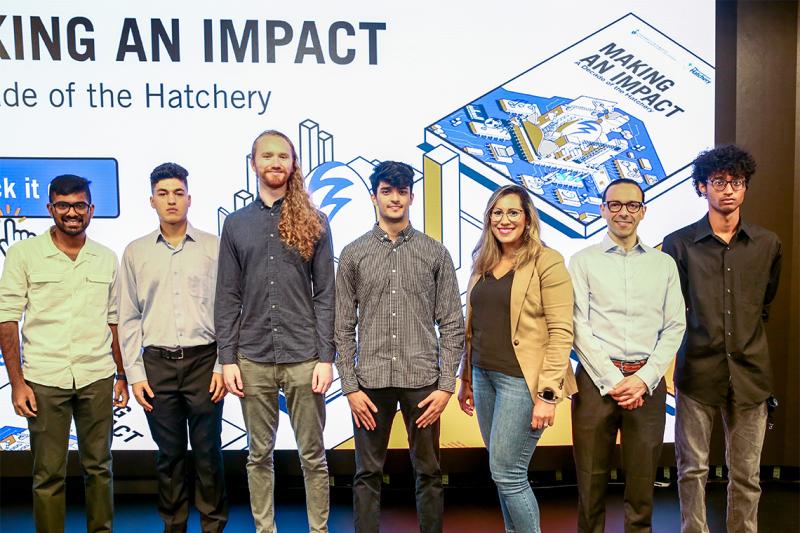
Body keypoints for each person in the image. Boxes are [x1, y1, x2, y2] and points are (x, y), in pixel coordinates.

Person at [215, 130, 335, 533]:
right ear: (253, 164)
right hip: (252, 359)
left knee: (313, 455)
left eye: (283, 155)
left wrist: (326, 357)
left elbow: (326, 295)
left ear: (293, 163)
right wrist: (227, 359)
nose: (275, 162)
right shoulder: (235, 225)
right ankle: (265, 529)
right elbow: (227, 297)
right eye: (267, 155)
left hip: (304, 358)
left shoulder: (315, 221)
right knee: (257, 454)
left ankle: (319, 529)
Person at [335, 161, 464, 533]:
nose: (394, 198)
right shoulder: (353, 254)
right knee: (366, 473)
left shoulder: (435, 253)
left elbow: (452, 324)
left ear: (411, 196)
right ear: (373, 196)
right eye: (387, 191)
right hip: (370, 383)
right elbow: (342, 327)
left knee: (428, 471)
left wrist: (445, 386)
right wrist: (350, 387)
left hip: (423, 381)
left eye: (401, 191)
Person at [663, 145, 782, 533]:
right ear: (701, 187)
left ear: (745, 187)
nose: (728, 190)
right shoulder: (678, 244)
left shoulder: (767, 244)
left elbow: (764, 303)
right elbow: (671, 310)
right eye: (718, 182)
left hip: (751, 375)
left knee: (747, 475)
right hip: (697, 370)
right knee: (691, 470)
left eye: (737, 182)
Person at [0, 174, 128, 533]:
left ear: (91, 209)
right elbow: (7, 319)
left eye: (79, 205)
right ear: (50, 208)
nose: (72, 213)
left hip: (97, 377)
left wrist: (121, 375)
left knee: (100, 468)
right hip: (43, 379)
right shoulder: (23, 254)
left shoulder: (106, 258)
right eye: (63, 205)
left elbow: (114, 321)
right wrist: (17, 383)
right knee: (47, 475)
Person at [457, 184, 576, 533]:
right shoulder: (483, 261)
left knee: (508, 473)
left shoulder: (547, 261)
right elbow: (474, 327)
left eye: (513, 212)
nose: (504, 219)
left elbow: (561, 332)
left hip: (523, 383)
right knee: (501, 471)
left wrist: (548, 394)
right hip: (483, 376)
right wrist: (465, 380)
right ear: (489, 218)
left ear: (527, 218)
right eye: (497, 212)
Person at [569, 178, 686, 533]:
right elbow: (577, 326)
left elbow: (675, 327)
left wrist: (643, 379)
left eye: (632, 205)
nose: (623, 212)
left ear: (643, 211)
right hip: (594, 383)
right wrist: (614, 380)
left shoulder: (663, 264)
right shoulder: (582, 261)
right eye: (615, 204)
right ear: (602, 209)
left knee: (642, 484)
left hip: (646, 386)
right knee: (590, 484)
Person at [119, 162, 228, 532]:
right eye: (163, 194)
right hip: (157, 366)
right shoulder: (135, 252)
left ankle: (213, 525)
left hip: (204, 362)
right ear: (151, 200)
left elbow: (230, 310)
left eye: (178, 193)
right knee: (169, 457)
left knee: (209, 454)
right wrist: (134, 374)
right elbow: (129, 317)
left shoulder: (214, 247)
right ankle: (174, 525)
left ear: (189, 199)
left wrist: (221, 366)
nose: (171, 201)